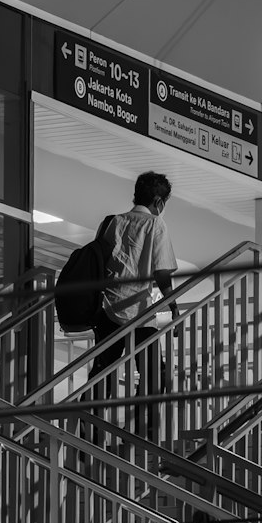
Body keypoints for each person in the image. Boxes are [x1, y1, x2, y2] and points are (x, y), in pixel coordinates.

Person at [90, 171, 179, 438]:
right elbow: (162, 273)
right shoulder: (156, 225)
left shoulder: (113, 222)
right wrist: (173, 306)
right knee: (154, 374)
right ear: (158, 201)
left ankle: (89, 430)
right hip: (141, 312)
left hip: (107, 309)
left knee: (102, 372)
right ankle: (141, 432)